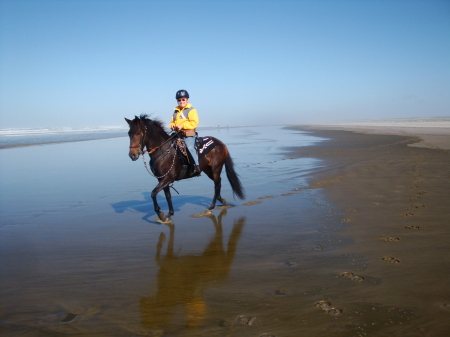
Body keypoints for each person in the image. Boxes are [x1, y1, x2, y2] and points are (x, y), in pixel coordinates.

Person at [169, 89, 201, 174]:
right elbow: (173, 121)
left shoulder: (191, 110)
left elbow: (194, 123)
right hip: (177, 133)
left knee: (190, 147)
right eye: (179, 100)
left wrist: (182, 125)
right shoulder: (176, 111)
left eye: (183, 99)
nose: (181, 101)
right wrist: (172, 125)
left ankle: (197, 166)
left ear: (187, 100)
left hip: (188, 134)